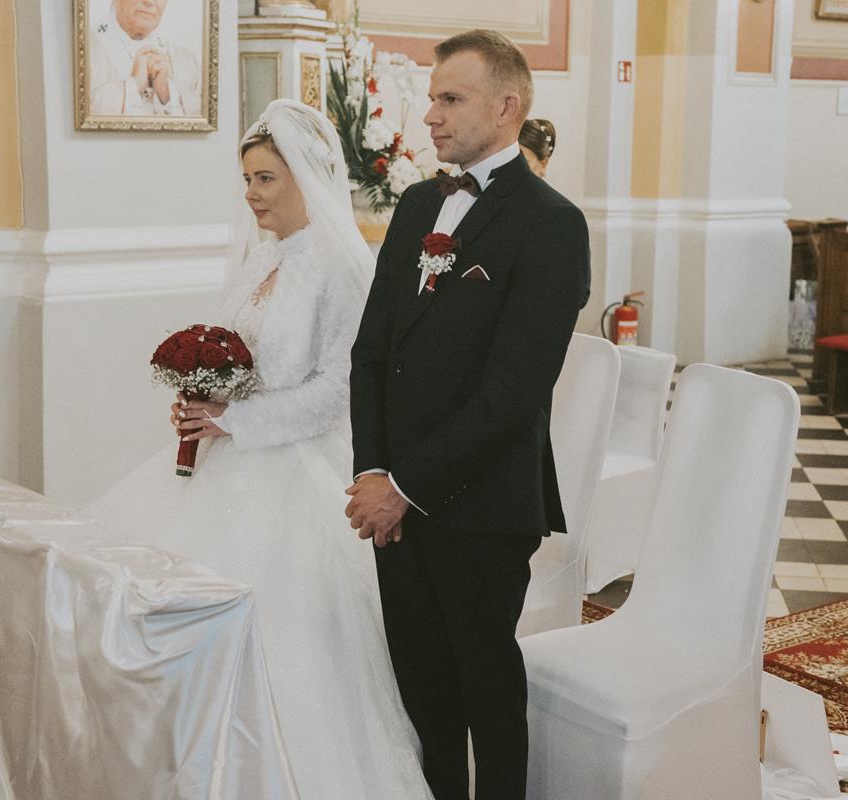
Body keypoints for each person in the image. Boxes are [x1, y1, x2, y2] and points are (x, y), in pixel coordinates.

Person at [87, 100, 432, 799]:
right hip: (227, 457)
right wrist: (201, 399)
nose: (250, 193)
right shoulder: (260, 259)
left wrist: (237, 421)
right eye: (246, 178)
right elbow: (233, 354)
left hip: (299, 467)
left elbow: (339, 388)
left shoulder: (340, 267)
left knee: (280, 637)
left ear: (306, 176)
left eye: (266, 178)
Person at [345, 29, 590, 800]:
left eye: (451, 99)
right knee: (421, 691)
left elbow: (511, 395)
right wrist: (373, 471)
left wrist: (405, 486)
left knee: (486, 689)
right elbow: (371, 354)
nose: (430, 116)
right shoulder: (420, 203)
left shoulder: (550, 223)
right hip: (394, 502)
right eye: (432, 98)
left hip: (480, 504)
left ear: (507, 106)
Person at [89, 0, 201, 117]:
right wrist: (132, 88)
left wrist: (167, 98)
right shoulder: (84, 52)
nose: (149, 2)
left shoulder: (186, 62)